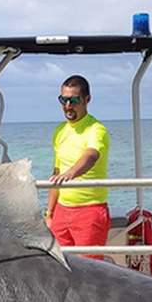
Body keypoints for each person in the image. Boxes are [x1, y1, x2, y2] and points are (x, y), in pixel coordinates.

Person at [46, 75, 110, 260]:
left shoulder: (96, 129)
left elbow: (91, 156)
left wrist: (71, 173)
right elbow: (56, 174)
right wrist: (49, 214)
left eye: (73, 100)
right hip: (61, 211)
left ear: (86, 100)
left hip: (89, 211)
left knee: (89, 270)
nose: (68, 105)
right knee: (58, 267)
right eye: (63, 100)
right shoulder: (60, 131)